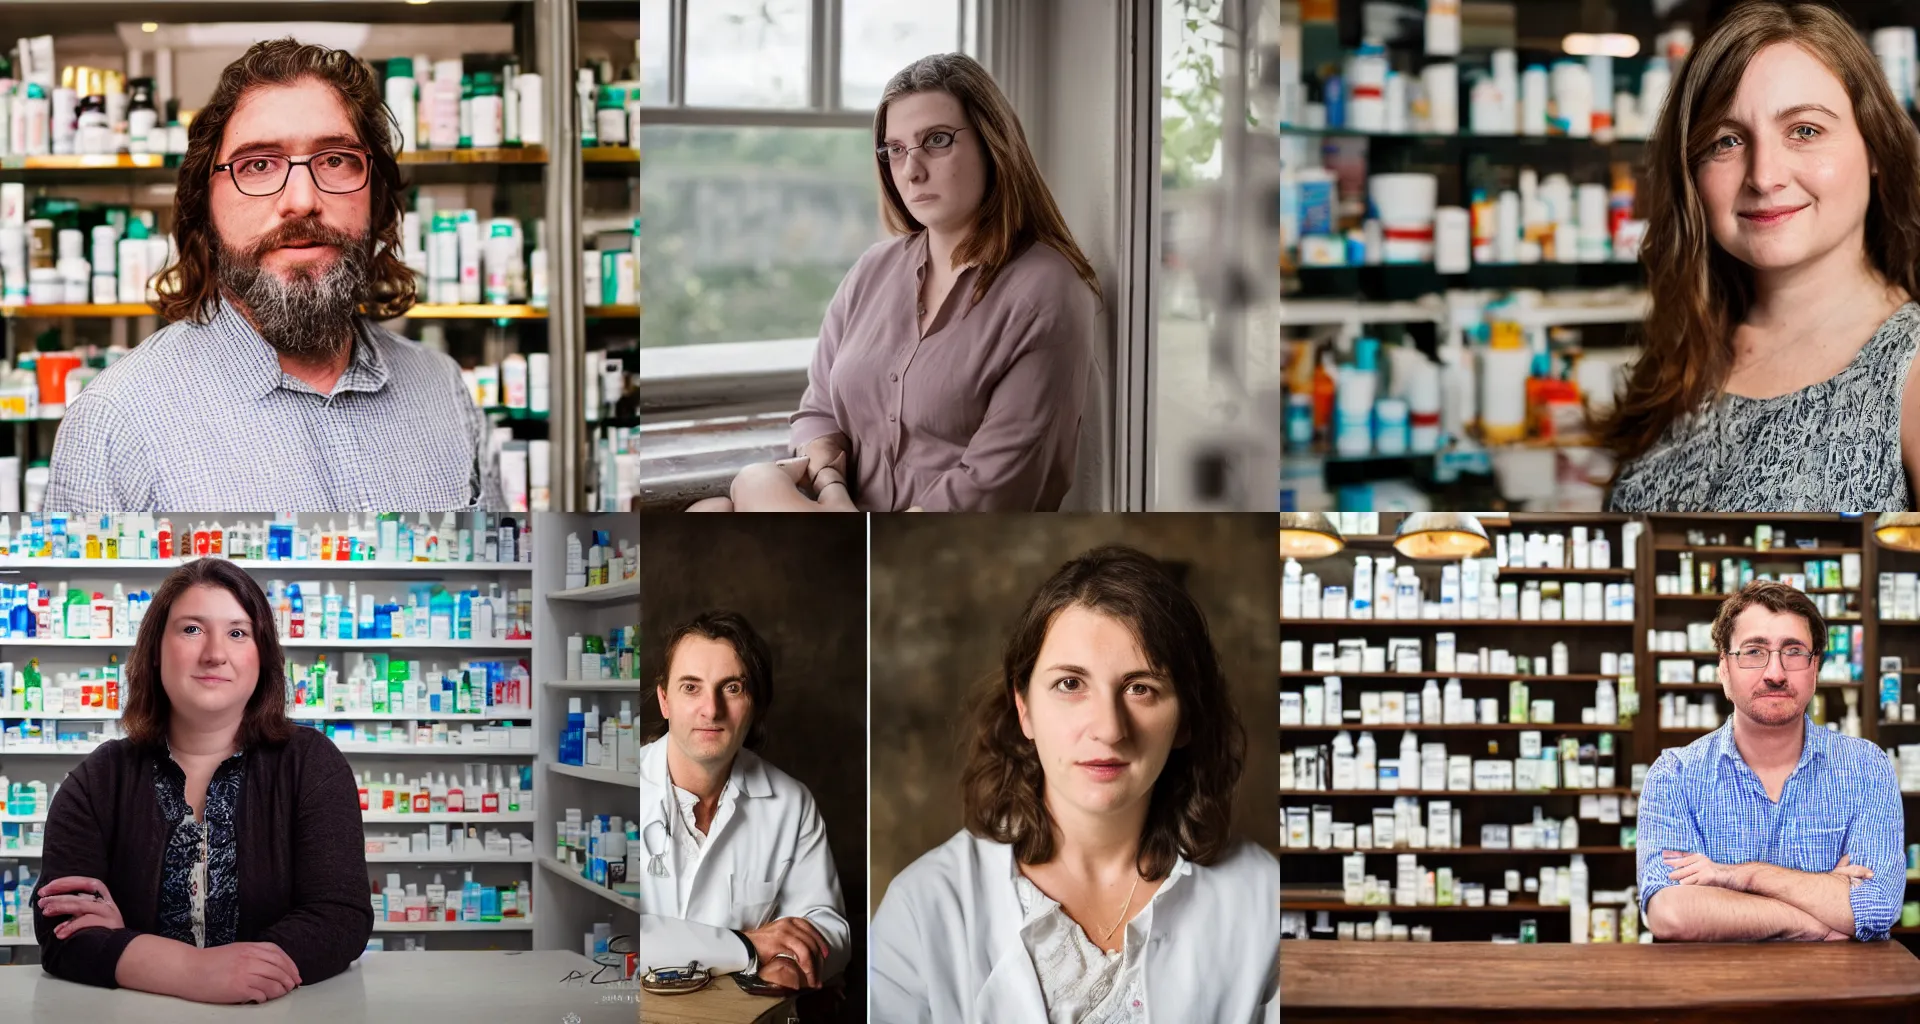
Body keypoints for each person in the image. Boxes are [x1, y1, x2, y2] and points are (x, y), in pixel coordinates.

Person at [46, 38, 502, 512]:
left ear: (377, 195)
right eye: (259, 165)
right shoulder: (115, 423)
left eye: (335, 159)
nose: (301, 199)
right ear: (204, 206)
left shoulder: (441, 389)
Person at [870, 546, 1279, 1023]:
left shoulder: (1264, 899)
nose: (1108, 728)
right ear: (1024, 708)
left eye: (1140, 687)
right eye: (1070, 684)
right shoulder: (923, 906)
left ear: (1185, 718)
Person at [693, 52, 1103, 513]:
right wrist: (831, 489)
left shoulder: (1046, 292)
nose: (911, 169)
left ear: (994, 145)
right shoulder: (872, 269)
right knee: (711, 512)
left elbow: (995, 486)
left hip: (930, 548)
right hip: (840, 515)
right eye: (895, 149)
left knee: (745, 493)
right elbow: (818, 410)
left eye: (938, 140)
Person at [1603, 1, 1920, 510]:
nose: (1764, 175)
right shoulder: (1689, 350)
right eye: (1726, 141)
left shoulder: (1911, 371)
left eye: (1805, 131)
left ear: (1876, 147)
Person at [32, 557, 373, 1002]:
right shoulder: (100, 779)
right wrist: (193, 970)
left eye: (237, 632)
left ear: (262, 655)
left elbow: (339, 917)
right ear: (156, 651)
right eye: (192, 629)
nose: (215, 653)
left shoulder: (310, 764)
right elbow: (61, 927)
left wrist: (130, 949)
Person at [1637, 580, 1902, 941]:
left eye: (1793, 651)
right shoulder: (1675, 776)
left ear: (1815, 670)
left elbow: (1876, 907)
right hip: (1716, 994)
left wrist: (1739, 876)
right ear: (1724, 671)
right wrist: (1815, 918)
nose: (1775, 672)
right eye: (1754, 651)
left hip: (1840, 994)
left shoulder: (1866, 767)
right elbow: (1671, 913)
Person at [638, 611, 850, 992]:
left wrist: (787, 960)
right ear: (664, 700)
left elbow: (829, 926)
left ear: (755, 706)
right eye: (691, 687)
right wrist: (748, 945)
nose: (711, 709)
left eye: (731, 688)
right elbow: (612, 938)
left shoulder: (790, 802)